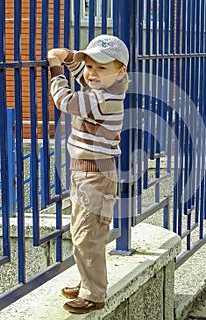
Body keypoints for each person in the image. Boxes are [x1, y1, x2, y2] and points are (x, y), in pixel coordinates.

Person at [47, 35, 129, 314]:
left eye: (101, 68)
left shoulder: (103, 99)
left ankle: (94, 295)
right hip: (85, 173)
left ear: (121, 72)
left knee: (88, 235)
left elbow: (64, 100)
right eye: (90, 65)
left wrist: (55, 66)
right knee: (81, 231)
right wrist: (72, 57)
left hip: (96, 176)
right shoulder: (109, 85)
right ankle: (87, 283)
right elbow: (83, 74)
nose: (92, 73)